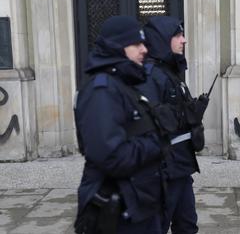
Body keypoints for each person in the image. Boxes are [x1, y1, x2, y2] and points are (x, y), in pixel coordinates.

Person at [73, 16, 172, 234]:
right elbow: (110, 156)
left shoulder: (121, 85)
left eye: (144, 43)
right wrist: (156, 143)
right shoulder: (102, 90)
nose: (144, 50)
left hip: (138, 206)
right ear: (118, 47)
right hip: (120, 213)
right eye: (137, 44)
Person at [136, 16, 209, 234]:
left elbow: (175, 111)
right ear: (162, 39)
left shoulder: (170, 72)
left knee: (187, 226)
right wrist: (185, 116)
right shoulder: (149, 76)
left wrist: (193, 111)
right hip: (163, 171)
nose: (184, 40)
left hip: (181, 167)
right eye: (178, 35)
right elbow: (147, 121)